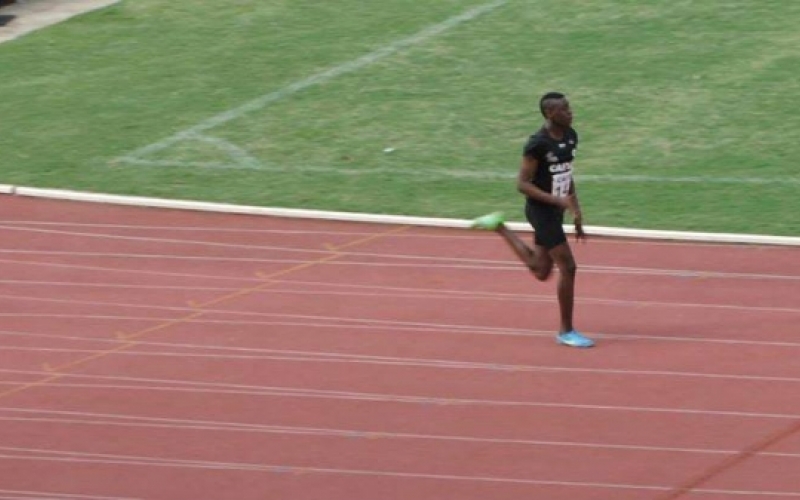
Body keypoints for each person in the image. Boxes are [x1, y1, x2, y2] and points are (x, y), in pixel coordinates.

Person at [471, 91, 594, 348]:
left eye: (569, 108)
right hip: (540, 211)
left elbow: (565, 174)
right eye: (565, 109)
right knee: (568, 267)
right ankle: (566, 331)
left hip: (556, 210)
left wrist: (576, 209)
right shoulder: (536, 144)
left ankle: (499, 226)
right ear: (550, 113)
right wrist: (557, 201)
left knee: (541, 270)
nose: (571, 112)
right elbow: (522, 184)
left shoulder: (571, 136)